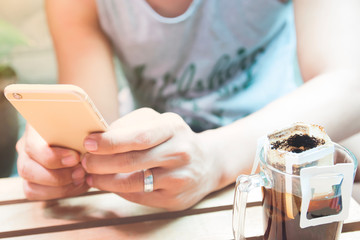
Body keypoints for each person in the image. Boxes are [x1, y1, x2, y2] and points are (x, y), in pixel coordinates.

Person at [16, 0, 360, 210]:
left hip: (280, 169)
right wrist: (62, 157)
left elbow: (348, 83)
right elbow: (94, 123)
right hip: (164, 177)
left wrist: (216, 159)